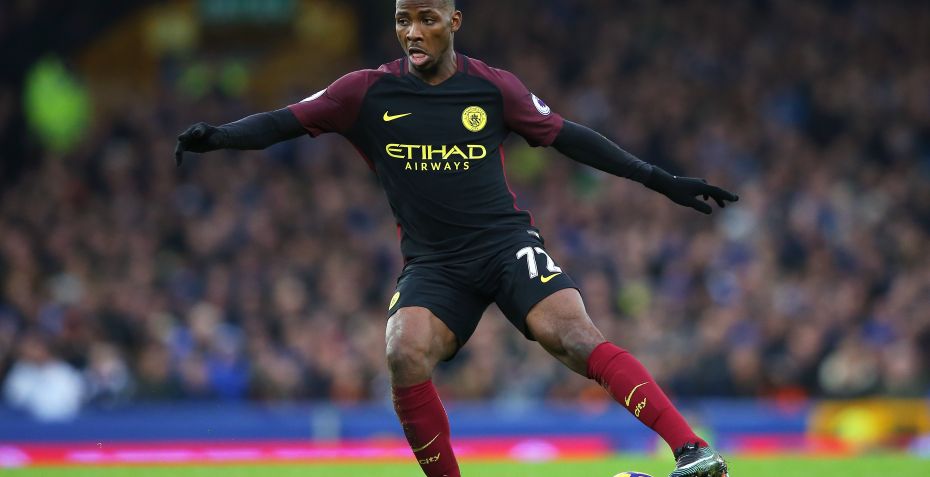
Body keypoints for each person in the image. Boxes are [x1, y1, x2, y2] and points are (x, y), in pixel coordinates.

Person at [174, 1, 737, 475]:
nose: (413, 32)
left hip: (504, 245)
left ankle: (692, 450)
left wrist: (661, 180)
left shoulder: (492, 87)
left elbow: (570, 137)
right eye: (403, 20)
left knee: (572, 335)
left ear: (454, 21)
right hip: (435, 263)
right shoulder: (365, 92)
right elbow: (285, 120)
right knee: (403, 350)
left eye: (427, 19)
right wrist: (219, 136)